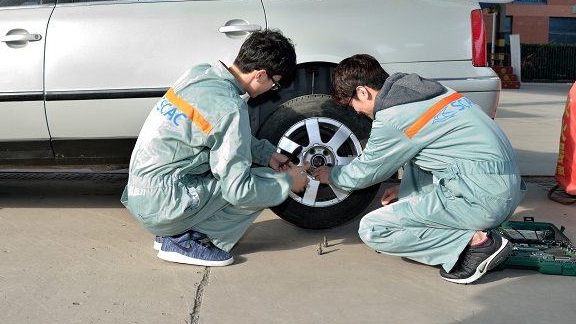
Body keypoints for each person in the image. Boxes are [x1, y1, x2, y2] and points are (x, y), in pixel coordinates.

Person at [312, 54, 527, 284]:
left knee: (373, 229)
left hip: (482, 201)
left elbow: (366, 172)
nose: (355, 110)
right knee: (413, 154)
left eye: (351, 103)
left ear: (362, 92)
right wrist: (406, 189)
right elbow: (436, 152)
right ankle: (469, 228)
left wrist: (332, 175)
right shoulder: (426, 93)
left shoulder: (393, 117)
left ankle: (477, 244)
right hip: (504, 188)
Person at [121, 29, 309, 267]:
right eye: (275, 83)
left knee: (229, 172)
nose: (272, 88)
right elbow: (237, 191)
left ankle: (174, 230)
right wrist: (288, 182)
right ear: (261, 75)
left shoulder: (198, 74)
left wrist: (267, 154)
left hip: (140, 194)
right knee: (263, 182)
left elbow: (216, 130)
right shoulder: (231, 107)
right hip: (162, 206)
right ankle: (185, 241)